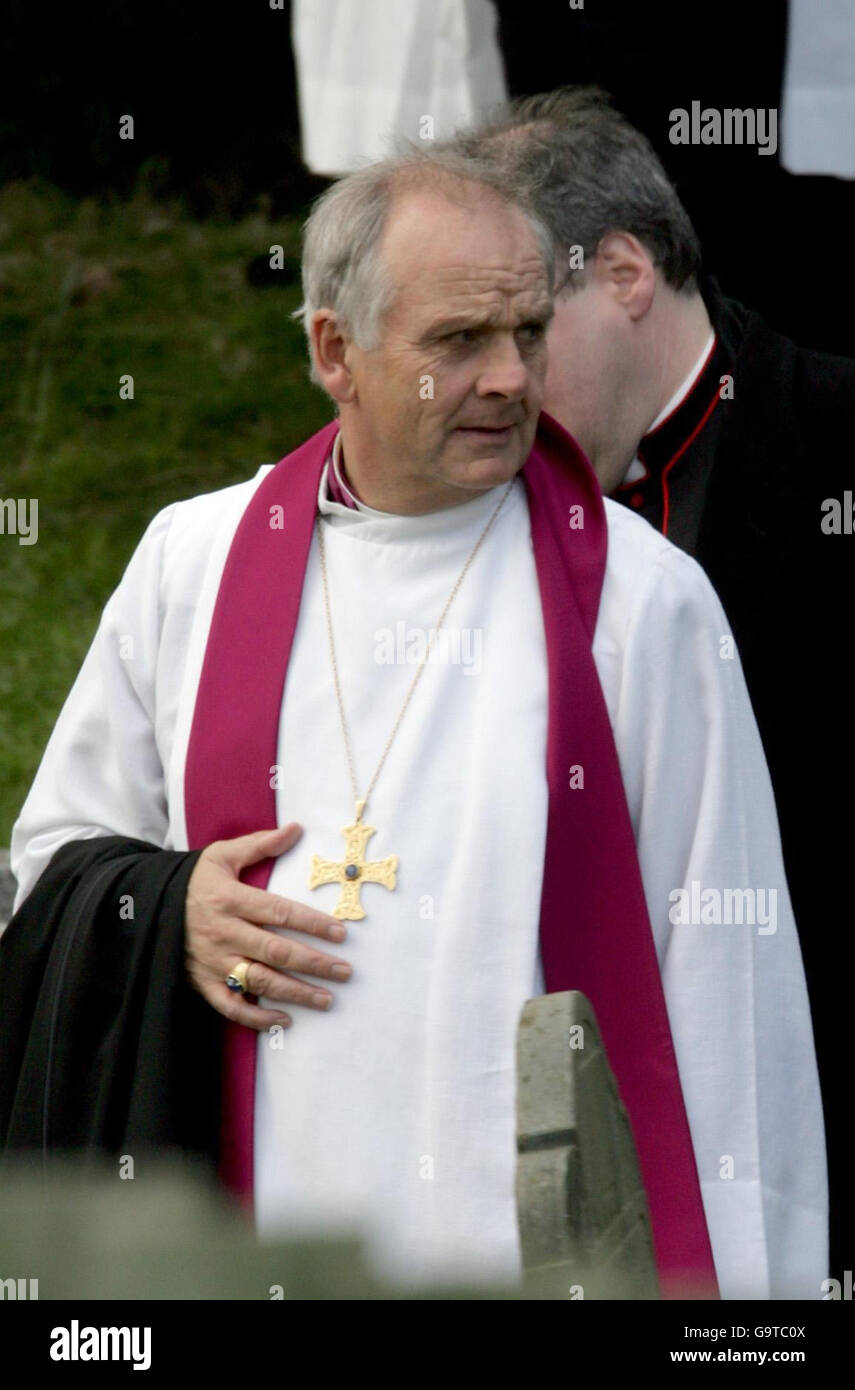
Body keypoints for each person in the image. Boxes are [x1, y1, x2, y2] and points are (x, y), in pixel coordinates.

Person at [2, 146, 825, 1300]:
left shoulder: (645, 609)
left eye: (529, 332)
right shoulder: (192, 563)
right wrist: (168, 907)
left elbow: (731, 990)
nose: (508, 378)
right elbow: (46, 874)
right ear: (335, 350)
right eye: (459, 342)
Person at [454, 87, 855, 1285]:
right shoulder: (471, 492)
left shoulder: (835, 431)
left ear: (625, 271)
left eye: (529, 331)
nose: (502, 383)